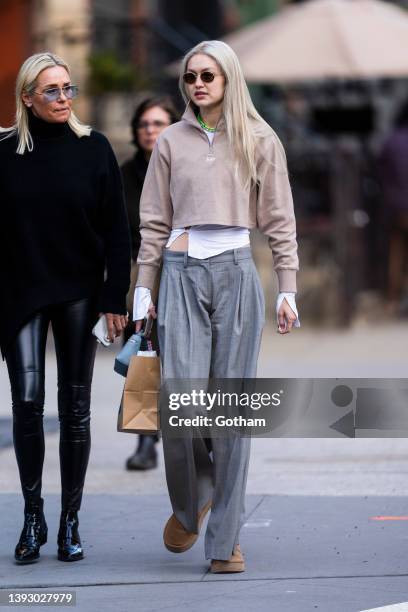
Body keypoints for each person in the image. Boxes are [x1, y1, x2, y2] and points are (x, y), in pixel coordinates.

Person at [133, 40, 300, 573]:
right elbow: (154, 220)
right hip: (180, 276)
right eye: (189, 77)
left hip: (236, 275)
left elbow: (279, 219)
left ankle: (224, 543)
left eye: (208, 75)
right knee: (178, 403)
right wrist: (144, 285)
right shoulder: (170, 142)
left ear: (228, 79)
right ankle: (192, 499)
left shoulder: (260, 138)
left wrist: (288, 288)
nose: (198, 84)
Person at [0, 52, 130, 564]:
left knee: (75, 411)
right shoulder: (4, 151)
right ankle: (34, 515)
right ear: (27, 96)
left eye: (68, 89)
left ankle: (70, 520)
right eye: (51, 91)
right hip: (18, 293)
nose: (63, 99)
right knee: (27, 407)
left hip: (78, 290)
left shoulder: (93, 148)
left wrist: (113, 296)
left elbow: (118, 231)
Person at [121, 97, 179, 471]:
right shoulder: (124, 174)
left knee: (187, 357)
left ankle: (192, 434)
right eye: (144, 124)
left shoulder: (185, 166)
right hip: (140, 272)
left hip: (185, 268)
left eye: (158, 123)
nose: (150, 130)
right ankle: (145, 440)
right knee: (144, 355)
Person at [378, 100, 408, 315]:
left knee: (396, 255)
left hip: (396, 208)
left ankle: (392, 300)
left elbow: (379, 173)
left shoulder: (391, 141)